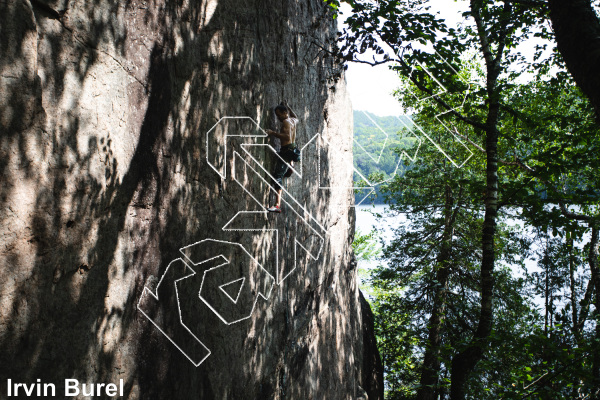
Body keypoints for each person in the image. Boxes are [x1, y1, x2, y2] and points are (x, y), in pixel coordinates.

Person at [265, 102, 300, 213]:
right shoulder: (293, 120)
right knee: (285, 166)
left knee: (277, 176)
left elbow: (286, 136)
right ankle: (290, 165)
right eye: (276, 115)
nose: (278, 117)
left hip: (286, 151)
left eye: (279, 114)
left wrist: (272, 133)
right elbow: (296, 117)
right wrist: (288, 106)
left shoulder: (285, 122)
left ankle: (277, 205)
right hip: (293, 150)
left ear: (285, 113)